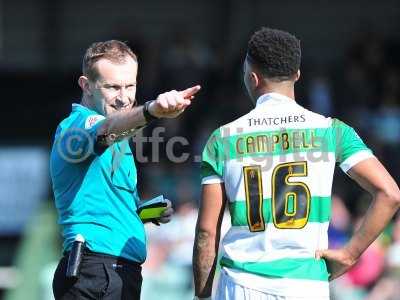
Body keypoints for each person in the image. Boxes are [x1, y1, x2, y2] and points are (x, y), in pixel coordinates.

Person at [192, 27, 400, 300]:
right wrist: (349, 255)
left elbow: (207, 232)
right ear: (297, 75)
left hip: (241, 285)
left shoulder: (223, 139)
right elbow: (390, 194)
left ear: (252, 78)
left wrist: (202, 294)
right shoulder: (332, 131)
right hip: (306, 286)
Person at [50, 40, 200, 299]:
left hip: (113, 272)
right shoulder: (76, 126)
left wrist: (141, 213)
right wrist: (153, 110)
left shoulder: (121, 140)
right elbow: (105, 129)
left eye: (130, 86)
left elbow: (97, 206)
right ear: (86, 86)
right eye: (112, 87)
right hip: (94, 272)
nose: (123, 97)